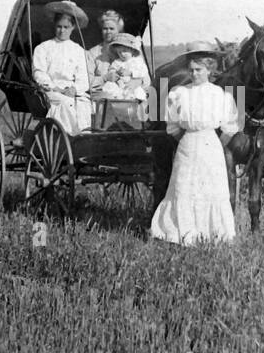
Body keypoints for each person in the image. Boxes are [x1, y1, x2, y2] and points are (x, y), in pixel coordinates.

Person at [150, 42, 239, 245]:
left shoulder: (219, 95)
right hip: (187, 145)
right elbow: (172, 126)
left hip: (211, 145)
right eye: (191, 70)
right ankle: (183, 231)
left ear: (209, 69)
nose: (194, 74)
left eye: (199, 70)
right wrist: (186, 141)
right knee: (184, 187)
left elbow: (230, 127)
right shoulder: (179, 93)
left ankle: (214, 231)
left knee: (211, 188)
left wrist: (215, 143)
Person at [32, 1, 93, 135]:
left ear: (73, 27)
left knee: (86, 105)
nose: (62, 30)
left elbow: (84, 77)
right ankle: (69, 137)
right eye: (59, 26)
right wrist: (55, 88)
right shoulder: (43, 48)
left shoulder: (78, 50)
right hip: (51, 91)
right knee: (66, 104)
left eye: (66, 27)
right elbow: (39, 73)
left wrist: (74, 89)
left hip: (72, 91)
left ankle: (84, 137)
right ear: (54, 26)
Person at [96, 33, 150, 101]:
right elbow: (111, 69)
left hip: (133, 84)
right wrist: (116, 73)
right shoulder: (117, 62)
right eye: (119, 52)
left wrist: (131, 73)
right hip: (120, 84)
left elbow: (143, 72)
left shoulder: (137, 61)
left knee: (136, 93)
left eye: (124, 51)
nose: (122, 54)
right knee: (113, 89)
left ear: (132, 50)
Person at [86, 10, 124, 89]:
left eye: (112, 28)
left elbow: (145, 78)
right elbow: (86, 81)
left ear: (119, 30)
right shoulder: (93, 53)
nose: (108, 32)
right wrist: (104, 78)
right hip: (101, 96)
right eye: (105, 29)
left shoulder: (129, 50)